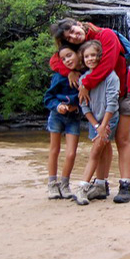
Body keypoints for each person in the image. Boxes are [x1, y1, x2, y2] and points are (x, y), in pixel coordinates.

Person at [49, 18, 130, 203]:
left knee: (122, 138)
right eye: (69, 38)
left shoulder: (106, 35)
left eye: (72, 30)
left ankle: (125, 185)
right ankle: (100, 185)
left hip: (123, 91)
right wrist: (69, 72)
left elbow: (108, 65)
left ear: (78, 23)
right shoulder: (80, 47)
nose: (73, 36)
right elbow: (55, 61)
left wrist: (85, 84)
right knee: (103, 141)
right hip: (98, 98)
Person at [71, 40, 120, 206]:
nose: (90, 58)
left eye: (93, 55)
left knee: (95, 152)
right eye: (86, 56)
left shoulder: (111, 77)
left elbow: (112, 103)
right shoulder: (84, 79)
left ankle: (83, 187)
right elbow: (84, 106)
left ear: (100, 56)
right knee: (101, 151)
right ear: (82, 59)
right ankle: (99, 185)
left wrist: (104, 125)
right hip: (95, 122)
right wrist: (96, 126)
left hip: (109, 119)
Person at [43, 44, 82, 200]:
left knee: (71, 153)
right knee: (54, 149)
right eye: (63, 58)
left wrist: (76, 107)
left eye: (69, 56)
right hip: (56, 115)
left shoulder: (83, 75)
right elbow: (48, 98)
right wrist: (58, 106)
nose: (67, 60)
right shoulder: (59, 77)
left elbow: (88, 97)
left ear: (78, 54)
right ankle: (52, 184)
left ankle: (65, 184)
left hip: (74, 117)